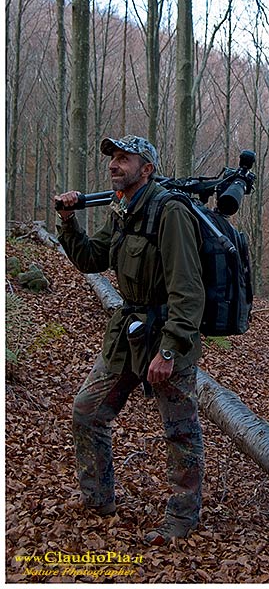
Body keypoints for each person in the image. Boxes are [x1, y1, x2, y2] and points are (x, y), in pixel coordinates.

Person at [54, 135, 205, 547]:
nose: (114, 165)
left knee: (180, 432)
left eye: (124, 159)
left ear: (147, 169)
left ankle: (182, 518)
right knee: (87, 411)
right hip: (128, 332)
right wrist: (69, 221)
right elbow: (91, 260)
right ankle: (98, 500)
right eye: (113, 159)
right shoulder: (121, 209)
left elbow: (188, 292)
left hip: (167, 335)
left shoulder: (169, 212)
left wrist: (169, 350)